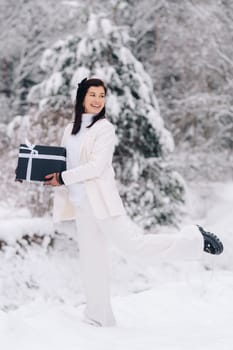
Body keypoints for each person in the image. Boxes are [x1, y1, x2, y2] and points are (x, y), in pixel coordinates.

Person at [44, 77, 224, 327]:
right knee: (91, 261)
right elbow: (63, 162)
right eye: (92, 95)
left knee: (134, 245)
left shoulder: (104, 129)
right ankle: (98, 318)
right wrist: (38, 172)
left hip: (103, 204)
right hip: (81, 205)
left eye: (101, 96)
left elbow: (96, 167)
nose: (97, 100)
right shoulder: (69, 130)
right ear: (82, 97)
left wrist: (62, 177)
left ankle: (195, 239)